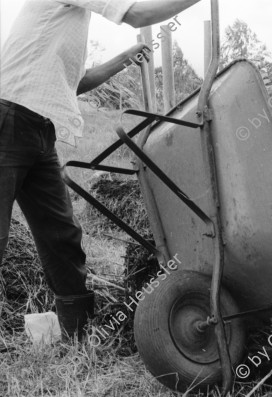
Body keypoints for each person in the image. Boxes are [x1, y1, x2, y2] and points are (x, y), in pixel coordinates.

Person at [0, 0, 202, 340]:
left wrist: (124, 59)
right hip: (8, 119)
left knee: (61, 236)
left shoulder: (69, 20)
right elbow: (140, 13)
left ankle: (76, 334)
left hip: (38, 130)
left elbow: (74, 83)